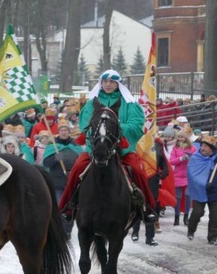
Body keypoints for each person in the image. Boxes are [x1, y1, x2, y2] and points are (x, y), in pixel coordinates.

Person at [59, 69, 157, 224]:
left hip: (122, 151)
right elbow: (85, 126)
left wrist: (113, 128)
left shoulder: (130, 103)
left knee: (137, 170)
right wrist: (100, 135)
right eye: (105, 81)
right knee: (78, 168)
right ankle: (67, 207)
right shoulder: (92, 103)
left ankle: (146, 208)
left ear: (118, 84)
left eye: (112, 81)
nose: (108, 84)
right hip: (96, 149)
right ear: (101, 83)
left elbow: (137, 126)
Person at [186, 135, 217, 245]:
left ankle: (212, 237)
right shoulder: (195, 158)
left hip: (214, 192)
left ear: (211, 149)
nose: (202, 148)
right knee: (197, 212)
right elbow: (191, 175)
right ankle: (191, 230)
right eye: (202, 145)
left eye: (205, 146)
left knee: (215, 216)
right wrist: (203, 184)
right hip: (200, 191)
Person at [131, 136, 170, 245]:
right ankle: (135, 232)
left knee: (151, 209)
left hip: (153, 182)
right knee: (137, 206)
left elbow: (163, 162)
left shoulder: (158, 146)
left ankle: (150, 237)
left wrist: (165, 171)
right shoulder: (137, 146)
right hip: (139, 181)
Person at [41, 119, 84, 202]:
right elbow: (46, 163)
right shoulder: (52, 146)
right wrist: (56, 158)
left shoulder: (76, 145)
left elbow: (81, 162)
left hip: (73, 181)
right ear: (59, 132)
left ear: (69, 132)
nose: (63, 132)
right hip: (58, 183)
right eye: (61, 130)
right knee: (59, 205)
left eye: (65, 130)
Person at [168, 125, 196, 226]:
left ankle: (186, 216)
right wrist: (181, 159)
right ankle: (176, 217)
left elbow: (196, 160)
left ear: (187, 138)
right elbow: (171, 161)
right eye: (179, 137)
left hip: (189, 176)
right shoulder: (175, 148)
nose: (180, 139)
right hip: (178, 175)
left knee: (188, 195)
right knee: (178, 197)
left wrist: (190, 159)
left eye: (182, 137)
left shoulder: (192, 148)